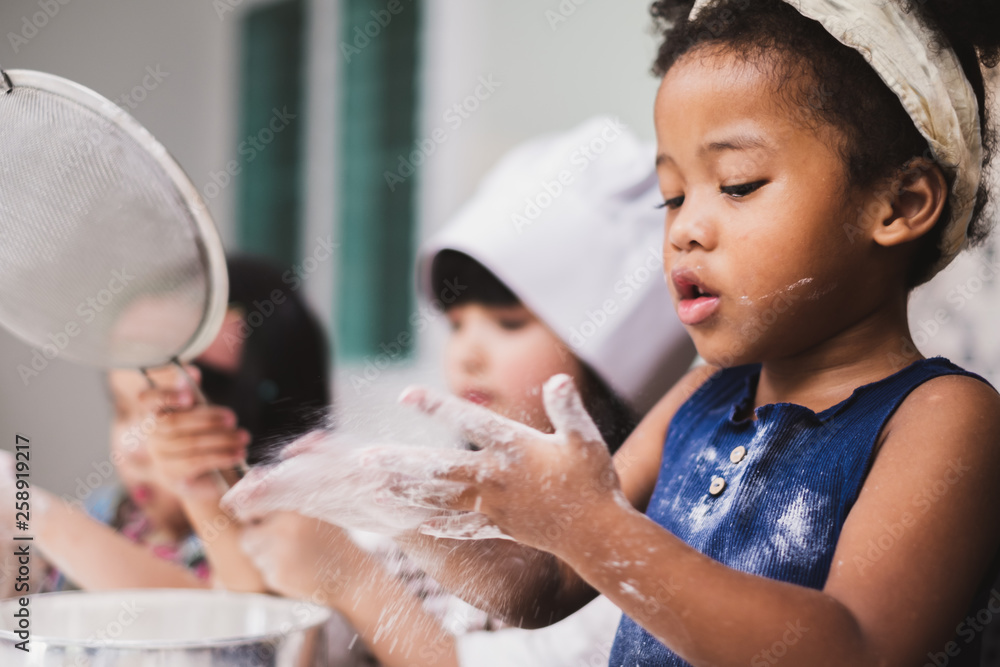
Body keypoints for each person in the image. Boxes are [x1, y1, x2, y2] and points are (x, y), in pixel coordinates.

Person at [228, 1, 1000, 665]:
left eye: (737, 185)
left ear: (899, 204)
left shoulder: (943, 419)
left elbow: (851, 650)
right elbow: (541, 582)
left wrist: (591, 525)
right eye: (672, 195)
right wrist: (395, 505)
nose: (688, 229)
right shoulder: (709, 394)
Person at [225, 118, 697, 666]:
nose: (467, 353)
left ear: (605, 356)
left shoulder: (648, 542)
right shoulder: (447, 500)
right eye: (456, 324)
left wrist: (352, 579)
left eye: (507, 323)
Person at [0, 255, 330, 595]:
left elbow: (220, 622)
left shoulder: (286, 551)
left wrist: (31, 512)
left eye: (168, 417)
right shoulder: (111, 513)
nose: (132, 448)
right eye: (123, 410)